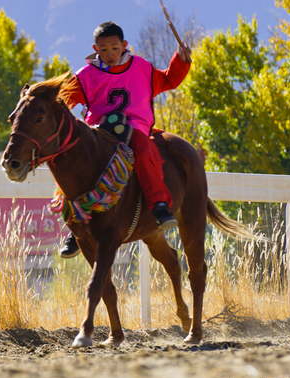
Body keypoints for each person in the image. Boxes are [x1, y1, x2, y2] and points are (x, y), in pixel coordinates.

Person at [56, 21, 192, 258]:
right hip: (99, 132)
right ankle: (76, 228)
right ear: (95, 48)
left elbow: (169, 79)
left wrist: (180, 59)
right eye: (104, 49)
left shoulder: (141, 67)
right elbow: (62, 100)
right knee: (73, 163)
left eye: (114, 48)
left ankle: (159, 206)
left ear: (124, 45)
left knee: (143, 150)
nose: (109, 53)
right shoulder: (86, 75)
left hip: (135, 128)